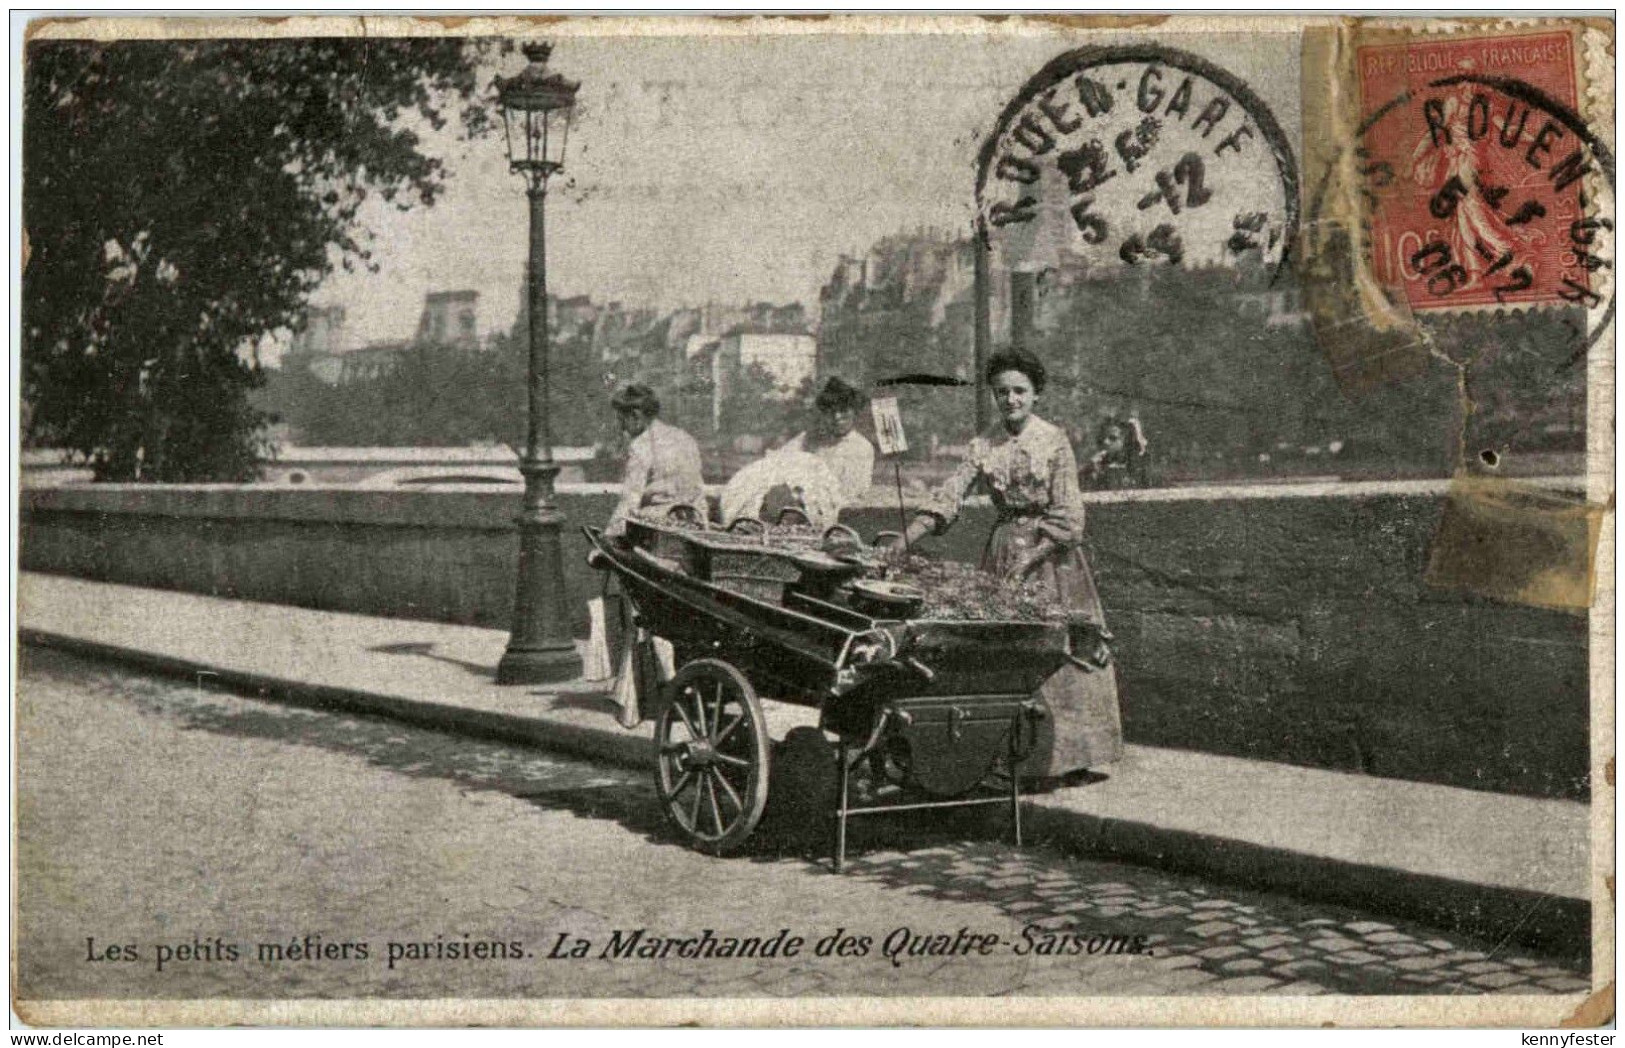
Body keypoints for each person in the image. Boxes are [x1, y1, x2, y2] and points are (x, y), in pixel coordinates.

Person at [898, 348, 1123, 781]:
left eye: (1020, 391)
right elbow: (949, 496)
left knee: (1059, 650)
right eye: (1002, 392)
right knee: (1003, 653)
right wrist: (906, 540)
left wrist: (1032, 556)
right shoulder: (984, 445)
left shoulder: (1054, 440)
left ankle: (1067, 759)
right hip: (1002, 550)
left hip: (1051, 557)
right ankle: (1009, 757)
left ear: (1036, 394)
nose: (1011, 400)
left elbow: (1070, 516)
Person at [604, 384, 705, 538]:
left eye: (622, 420)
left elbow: (629, 501)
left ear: (636, 417)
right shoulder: (684, 437)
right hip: (695, 525)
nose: (621, 428)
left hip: (659, 531)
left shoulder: (641, 446)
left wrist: (608, 537)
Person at [780, 377, 875, 498]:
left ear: (854, 411)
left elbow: (851, 491)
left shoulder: (861, 447)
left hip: (839, 509)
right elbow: (780, 460)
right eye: (831, 411)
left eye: (843, 410)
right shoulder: (810, 437)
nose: (837, 417)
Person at [1082, 415, 1151, 490]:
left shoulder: (1137, 463)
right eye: (1103, 438)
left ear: (1126, 440)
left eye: (1113, 438)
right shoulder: (1096, 464)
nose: (1106, 442)